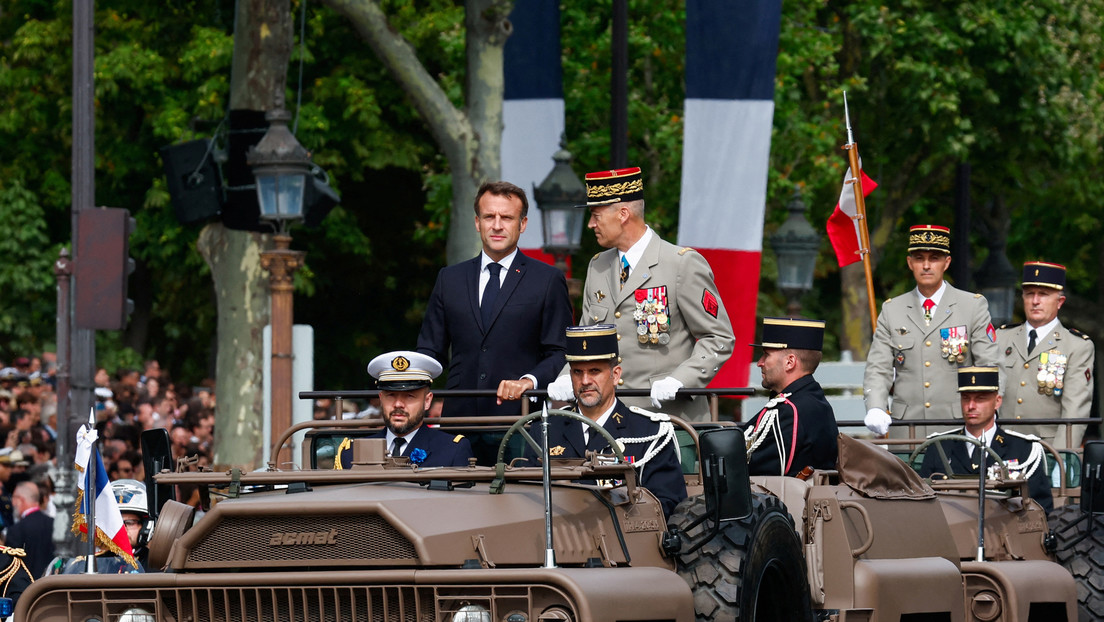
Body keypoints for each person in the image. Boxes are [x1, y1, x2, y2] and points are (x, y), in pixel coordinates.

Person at [547, 167, 734, 422]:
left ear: (623, 214)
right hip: (609, 421)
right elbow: (587, 340)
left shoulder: (680, 264)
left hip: (669, 419)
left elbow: (719, 337)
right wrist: (567, 376)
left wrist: (682, 379)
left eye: (595, 215)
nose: (591, 224)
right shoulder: (598, 266)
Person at [416, 181, 573, 421]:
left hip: (520, 420)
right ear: (477, 223)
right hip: (460, 419)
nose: (497, 226)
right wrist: (404, 381)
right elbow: (429, 351)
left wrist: (528, 381)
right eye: (489, 216)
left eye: (507, 218)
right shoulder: (449, 278)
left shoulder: (547, 280)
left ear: (523, 224)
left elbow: (560, 351)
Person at [527, 324, 687, 518]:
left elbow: (667, 504)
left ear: (616, 375)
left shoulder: (649, 433)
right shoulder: (544, 432)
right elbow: (525, 500)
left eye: (595, 371)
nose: (585, 381)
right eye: (578, 372)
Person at [864, 224, 1000, 438]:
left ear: (946, 262)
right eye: (919, 258)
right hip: (907, 429)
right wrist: (875, 406)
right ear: (910, 263)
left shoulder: (972, 306)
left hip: (957, 428)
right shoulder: (892, 310)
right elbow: (878, 368)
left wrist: (988, 413)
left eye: (934, 258)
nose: (926, 265)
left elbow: (990, 366)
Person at [918, 366, 1053, 513]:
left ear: (997, 402)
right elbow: (924, 505)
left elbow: (1040, 509)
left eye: (980, 399)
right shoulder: (939, 447)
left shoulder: (1024, 449)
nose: (971, 406)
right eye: (966, 398)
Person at [997, 262, 1094, 449]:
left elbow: (1074, 411)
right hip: (1001, 448)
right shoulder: (1001, 338)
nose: (1035, 301)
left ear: (1060, 302)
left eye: (1043, 295)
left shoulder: (1076, 345)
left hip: (1046, 450)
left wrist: (1061, 459)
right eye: (1029, 294)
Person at [335, 351, 474, 470]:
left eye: (409, 396)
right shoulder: (351, 452)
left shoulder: (451, 450)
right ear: (381, 399)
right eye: (391, 395)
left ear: (427, 401)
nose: (398, 404)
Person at [745, 317, 839, 476]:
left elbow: (758, 472)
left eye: (766, 355)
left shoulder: (789, 410)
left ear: (790, 362)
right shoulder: (813, 400)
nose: (760, 363)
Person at [3, 480, 54, 578]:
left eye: (13, 498)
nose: (12, 503)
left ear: (20, 499)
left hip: (27, 589)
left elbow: (9, 567)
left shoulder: (16, 530)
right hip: (51, 586)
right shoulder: (53, 523)